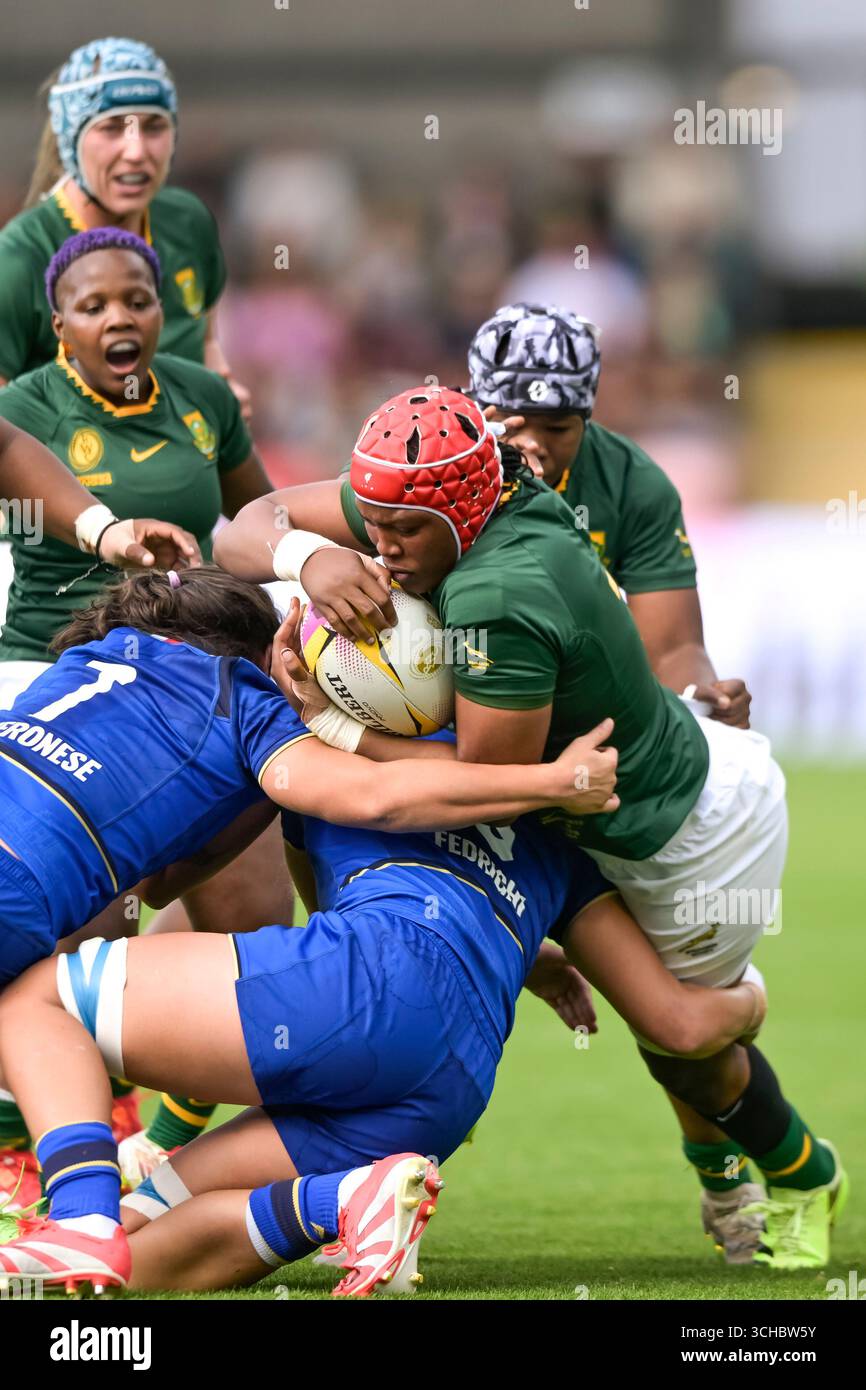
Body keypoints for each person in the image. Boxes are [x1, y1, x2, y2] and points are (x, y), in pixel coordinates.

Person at [213, 386, 847, 1270]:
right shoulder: (446, 498)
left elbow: (488, 783)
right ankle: (322, 1166)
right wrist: (303, 556)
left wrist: (334, 728)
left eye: (404, 532)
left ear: (465, 509)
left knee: (686, 1043)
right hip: (572, 813)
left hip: (680, 836)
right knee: (370, 899)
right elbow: (239, 527)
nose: (383, 550)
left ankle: (799, 1170)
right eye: (376, 523)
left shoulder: (498, 592)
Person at [0, 710, 761, 1295]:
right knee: (136, 1245)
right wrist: (750, 1003)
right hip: (446, 1090)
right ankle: (342, 1201)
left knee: (33, 998)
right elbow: (679, 1024)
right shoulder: (561, 841)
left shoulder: (337, 751)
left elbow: (278, 887)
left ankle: (80, 1216)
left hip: (364, 982)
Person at [0, 227, 277, 1196]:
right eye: (92, 306)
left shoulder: (202, 400)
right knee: (76, 940)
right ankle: (30, 1164)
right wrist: (106, 531)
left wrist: (314, 563)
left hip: (180, 679)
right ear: (58, 326)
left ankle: (158, 1146)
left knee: (251, 912)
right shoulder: (24, 408)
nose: (118, 318)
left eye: (136, 300)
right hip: (46, 678)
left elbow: (256, 523)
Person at [467, 302, 751, 726]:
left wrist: (699, 699)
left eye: (558, 429)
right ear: (478, 408)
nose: (534, 444)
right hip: (434, 686)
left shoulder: (633, 484)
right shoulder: (422, 442)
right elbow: (346, 509)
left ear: (586, 418)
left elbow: (673, 649)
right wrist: (326, 556)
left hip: (566, 708)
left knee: (743, 768)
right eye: (513, 422)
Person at [0, 36, 247, 412]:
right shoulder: (19, 258)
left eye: (153, 127)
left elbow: (206, 343)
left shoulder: (189, 221)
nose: (136, 152)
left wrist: (223, 394)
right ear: (71, 139)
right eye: (112, 128)